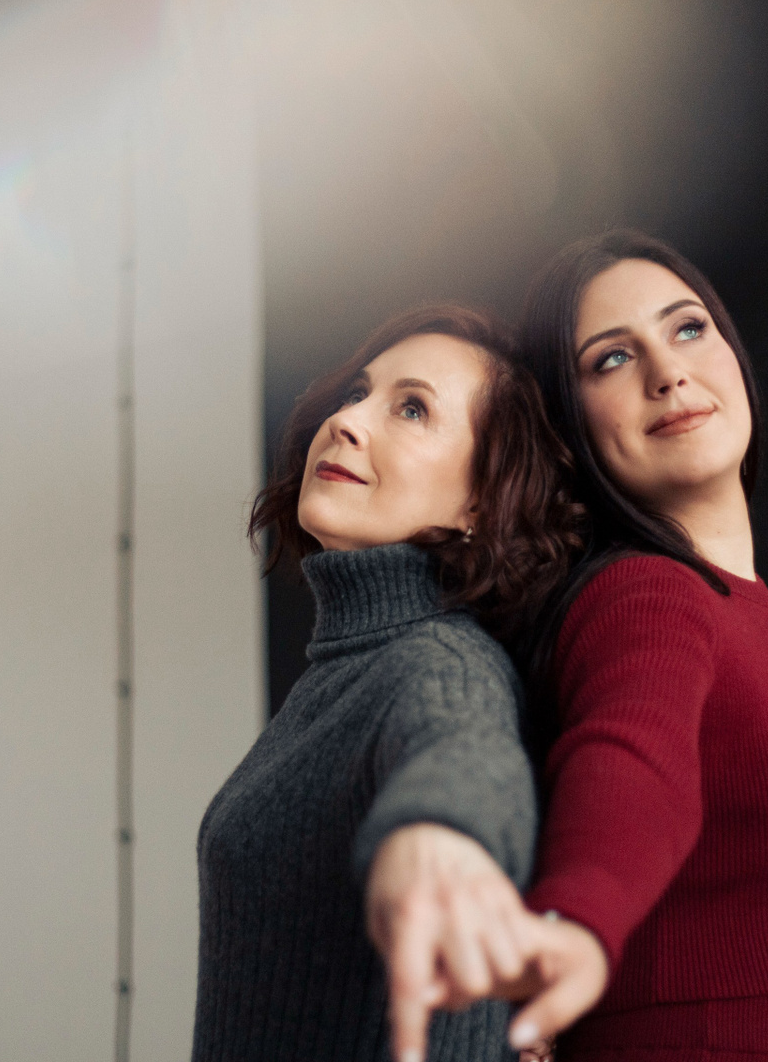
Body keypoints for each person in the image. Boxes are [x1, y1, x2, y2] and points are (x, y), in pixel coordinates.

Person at [378, 231, 768, 1062]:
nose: (668, 372)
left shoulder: (734, 600)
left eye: (688, 328)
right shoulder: (647, 593)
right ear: (569, 426)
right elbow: (632, 756)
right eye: (611, 359)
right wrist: (577, 920)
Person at [192, 304, 584, 1062]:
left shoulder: (438, 660)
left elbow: (462, 746)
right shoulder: (346, 667)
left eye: (412, 409)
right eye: (357, 393)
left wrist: (445, 836)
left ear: (480, 502)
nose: (346, 422)